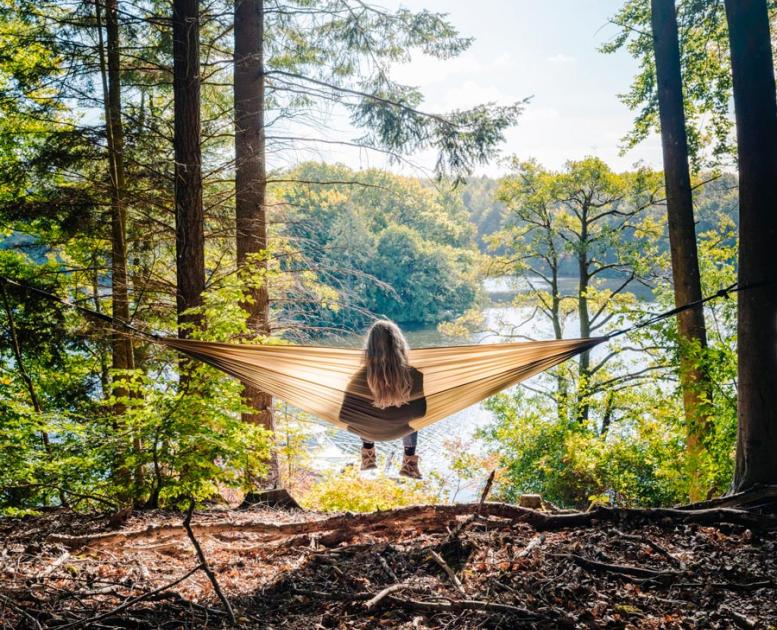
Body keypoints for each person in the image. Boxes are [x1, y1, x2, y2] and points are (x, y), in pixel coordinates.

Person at [339, 320, 426, 479]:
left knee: (362, 414)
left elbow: (344, 416)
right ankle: (409, 462)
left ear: (370, 348)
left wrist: (372, 413)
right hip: (401, 430)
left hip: (368, 432)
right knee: (413, 422)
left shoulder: (358, 378)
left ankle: (367, 454)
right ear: (399, 344)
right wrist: (397, 410)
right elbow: (421, 413)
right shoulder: (414, 375)